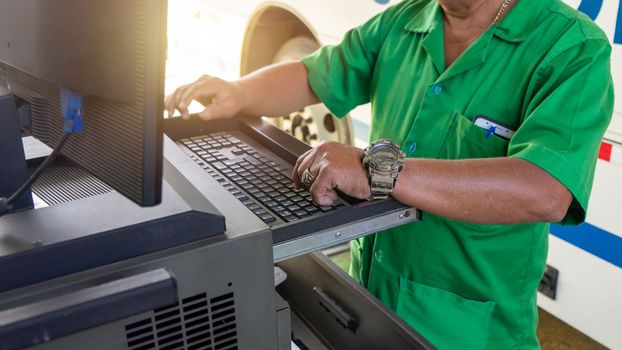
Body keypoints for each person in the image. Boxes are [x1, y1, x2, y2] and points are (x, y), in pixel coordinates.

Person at [165, 0, 614, 348]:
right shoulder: (406, 20)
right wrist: (238, 93)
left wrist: (379, 171)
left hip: (468, 331)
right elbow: (315, 75)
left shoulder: (571, 48)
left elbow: (546, 189)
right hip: (367, 304)